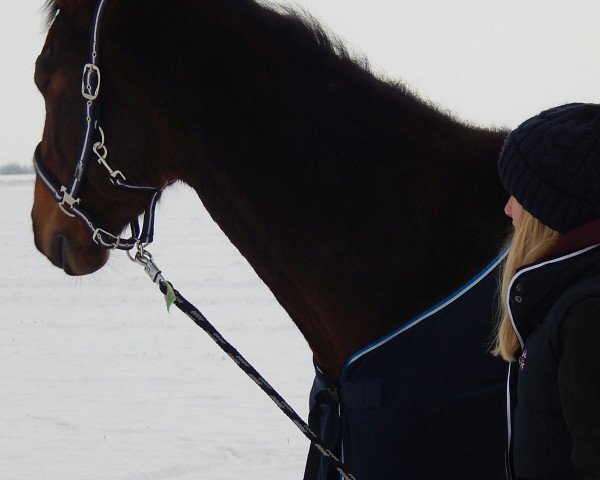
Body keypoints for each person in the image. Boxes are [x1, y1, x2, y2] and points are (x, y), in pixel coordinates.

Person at [494, 102, 600, 480]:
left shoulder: (586, 315)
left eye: (517, 195)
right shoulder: (560, 299)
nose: (508, 209)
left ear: (550, 211)